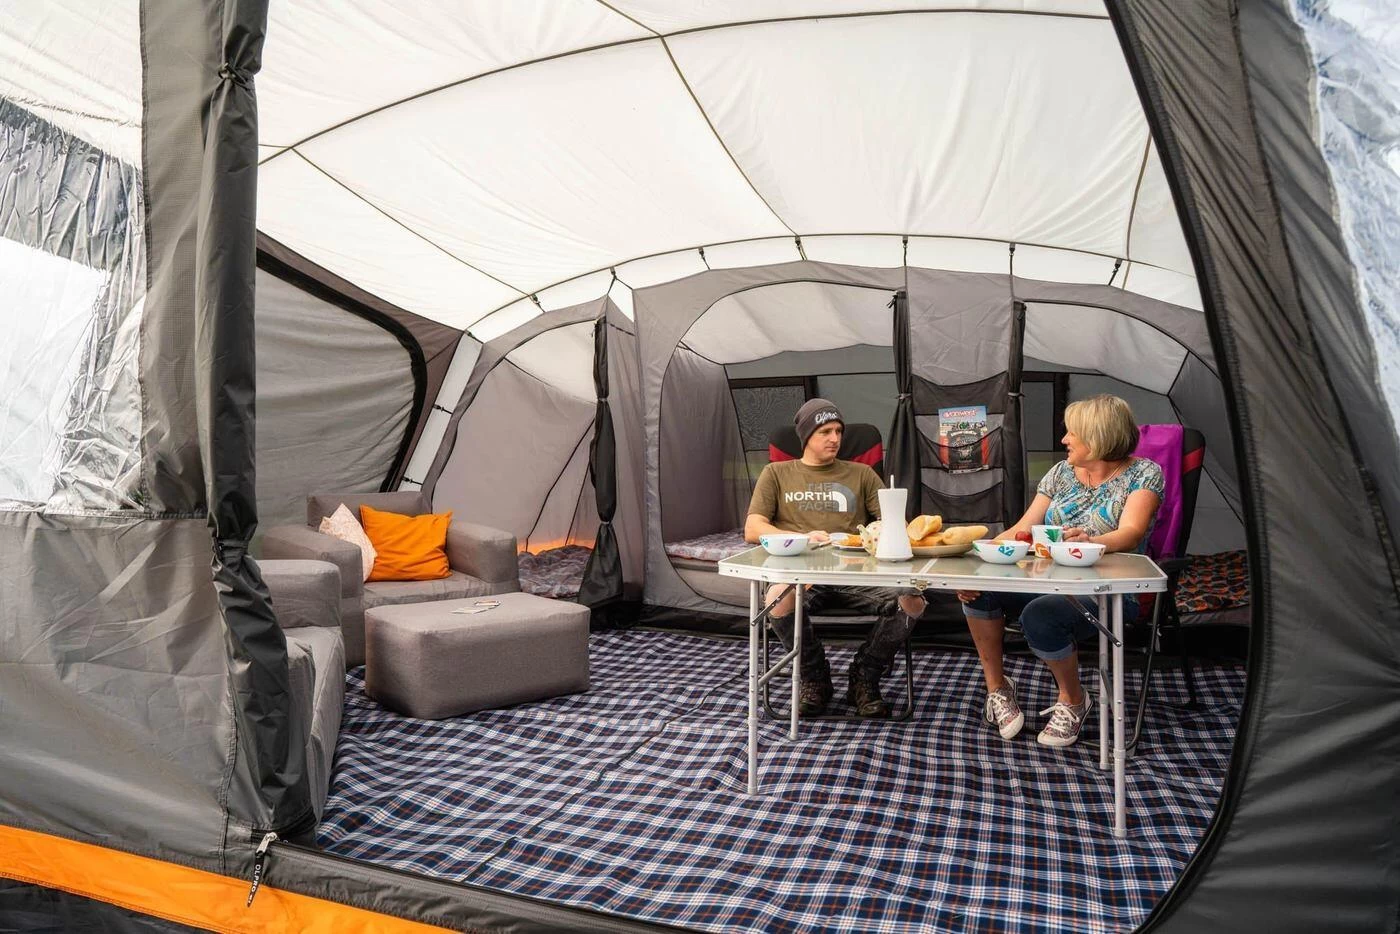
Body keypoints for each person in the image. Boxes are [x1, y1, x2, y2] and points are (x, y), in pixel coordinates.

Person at [947, 394, 1163, 747]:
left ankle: (1074, 699)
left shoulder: (1144, 474)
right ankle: (997, 689)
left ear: (1097, 436)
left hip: (1110, 590)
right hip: (1046, 579)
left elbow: (1131, 532)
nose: (1064, 439)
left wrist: (1091, 541)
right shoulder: (1061, 473)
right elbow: (1023, 528)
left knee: (1041, 614)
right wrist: (974, 565)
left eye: (1071, 432)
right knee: (979, 591)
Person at [746, 398, 926, 717]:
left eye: (838, 431)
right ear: (806, 436)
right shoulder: (776, 473)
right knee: (776, 598)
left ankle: (865, 675)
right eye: (825, 431)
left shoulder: (862, 474)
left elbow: (894, 522)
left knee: (913, 599)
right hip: (802, 574)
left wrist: (884, 531)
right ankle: (814, 677)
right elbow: (753, 528)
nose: (835, 438)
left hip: (857, 573)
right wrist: (803, 538)